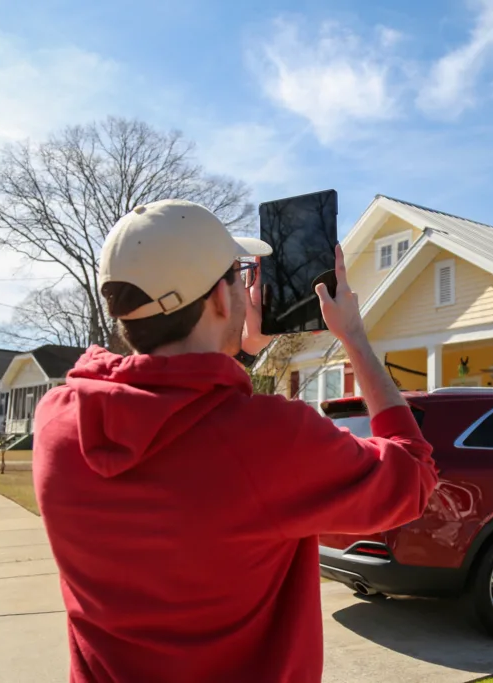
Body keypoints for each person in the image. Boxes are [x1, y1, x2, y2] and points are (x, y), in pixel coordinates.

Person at [34, 199, 438, 683]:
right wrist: (353, 337)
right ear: (222, 299)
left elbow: (184, 419)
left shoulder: (59, 421)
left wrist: (234, 352)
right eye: (238, 273)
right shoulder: (271, 438)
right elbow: (412, 475)